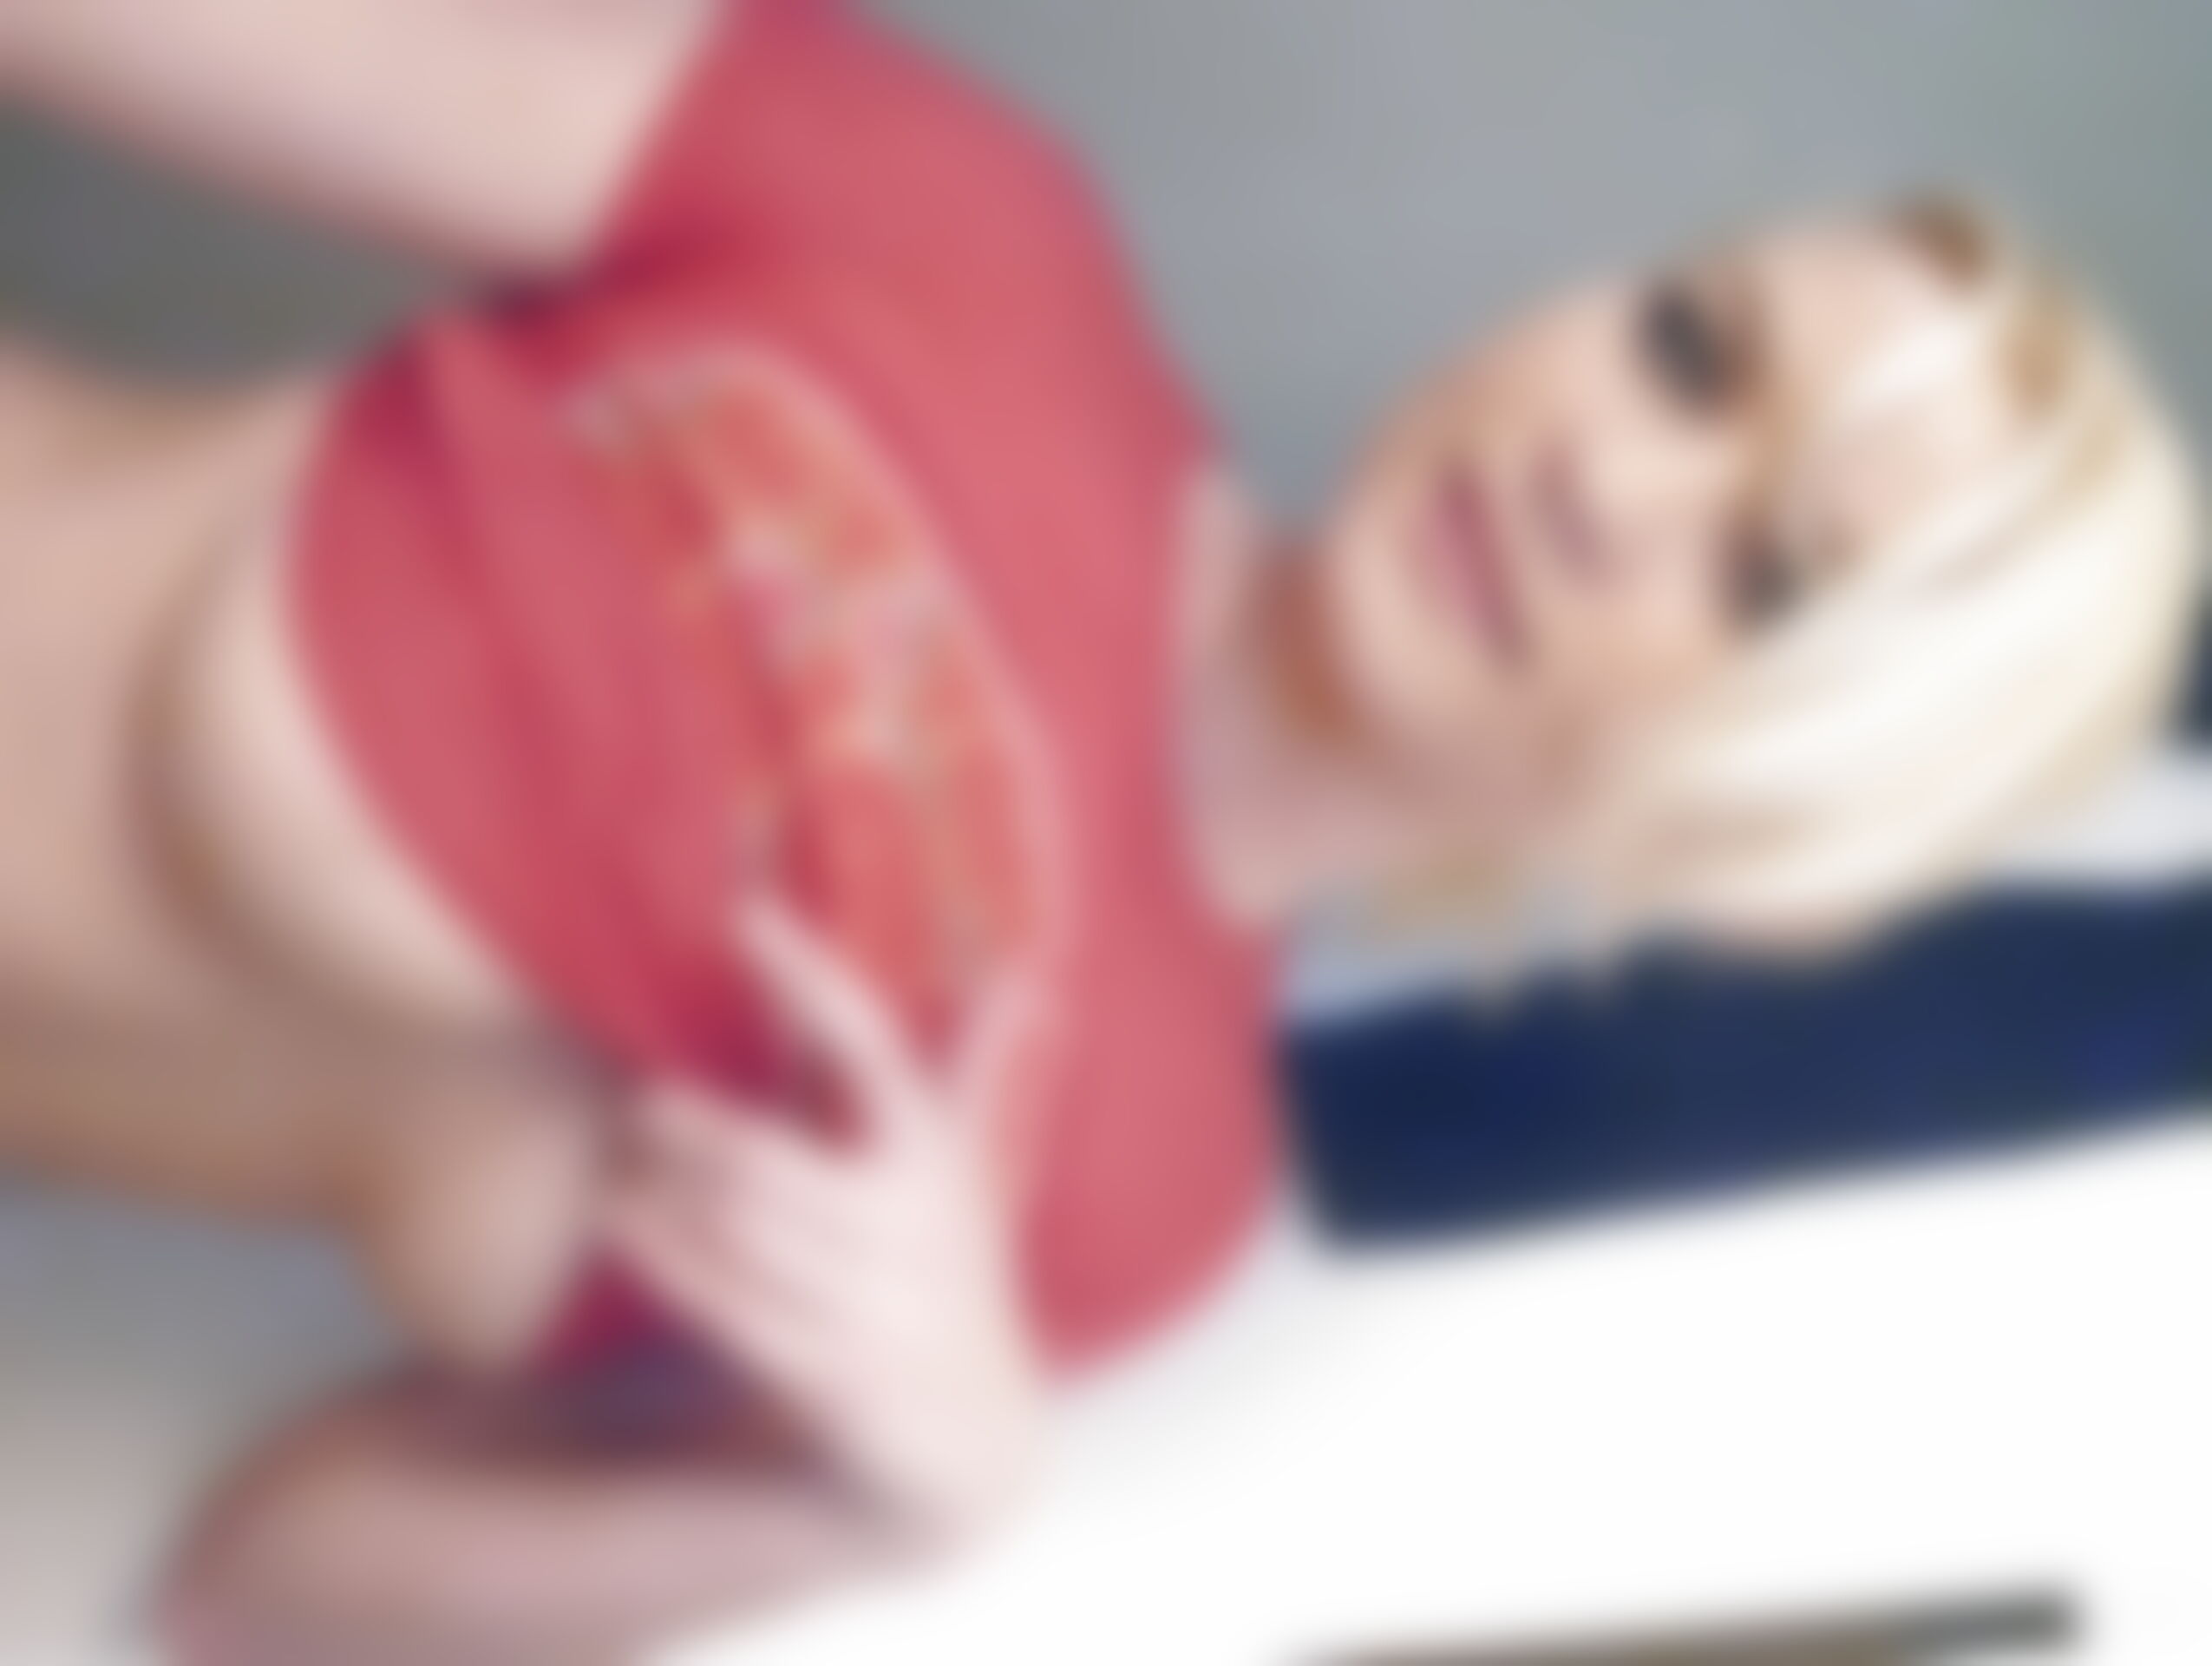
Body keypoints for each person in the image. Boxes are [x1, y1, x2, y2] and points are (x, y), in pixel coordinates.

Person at [0, 0, 2198, 1660]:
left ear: (1773, 849)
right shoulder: (953, 221)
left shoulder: (1129, 1203)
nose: (1606, 486)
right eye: (1692, 352)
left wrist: (894, 1509)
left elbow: (251, 1595)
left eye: (1767, 581)